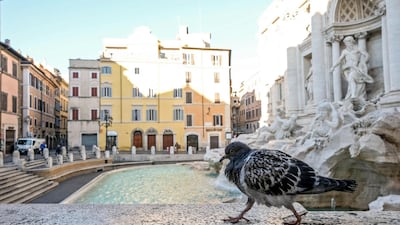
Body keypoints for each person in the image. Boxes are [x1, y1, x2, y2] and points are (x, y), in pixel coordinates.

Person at [330, 36, 374, 101]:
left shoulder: (357, 49)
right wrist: (333, 67)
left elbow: (366, 55)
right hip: (348, 69)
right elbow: (339, 60)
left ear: (351, 42)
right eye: (345, 43)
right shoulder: (344, 51)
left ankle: (353, 95)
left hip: (356, 68)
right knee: (351, 81)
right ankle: (353, 94)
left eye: (347, 43)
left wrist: (364, 62)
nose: (346, 44)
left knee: (351, 77)